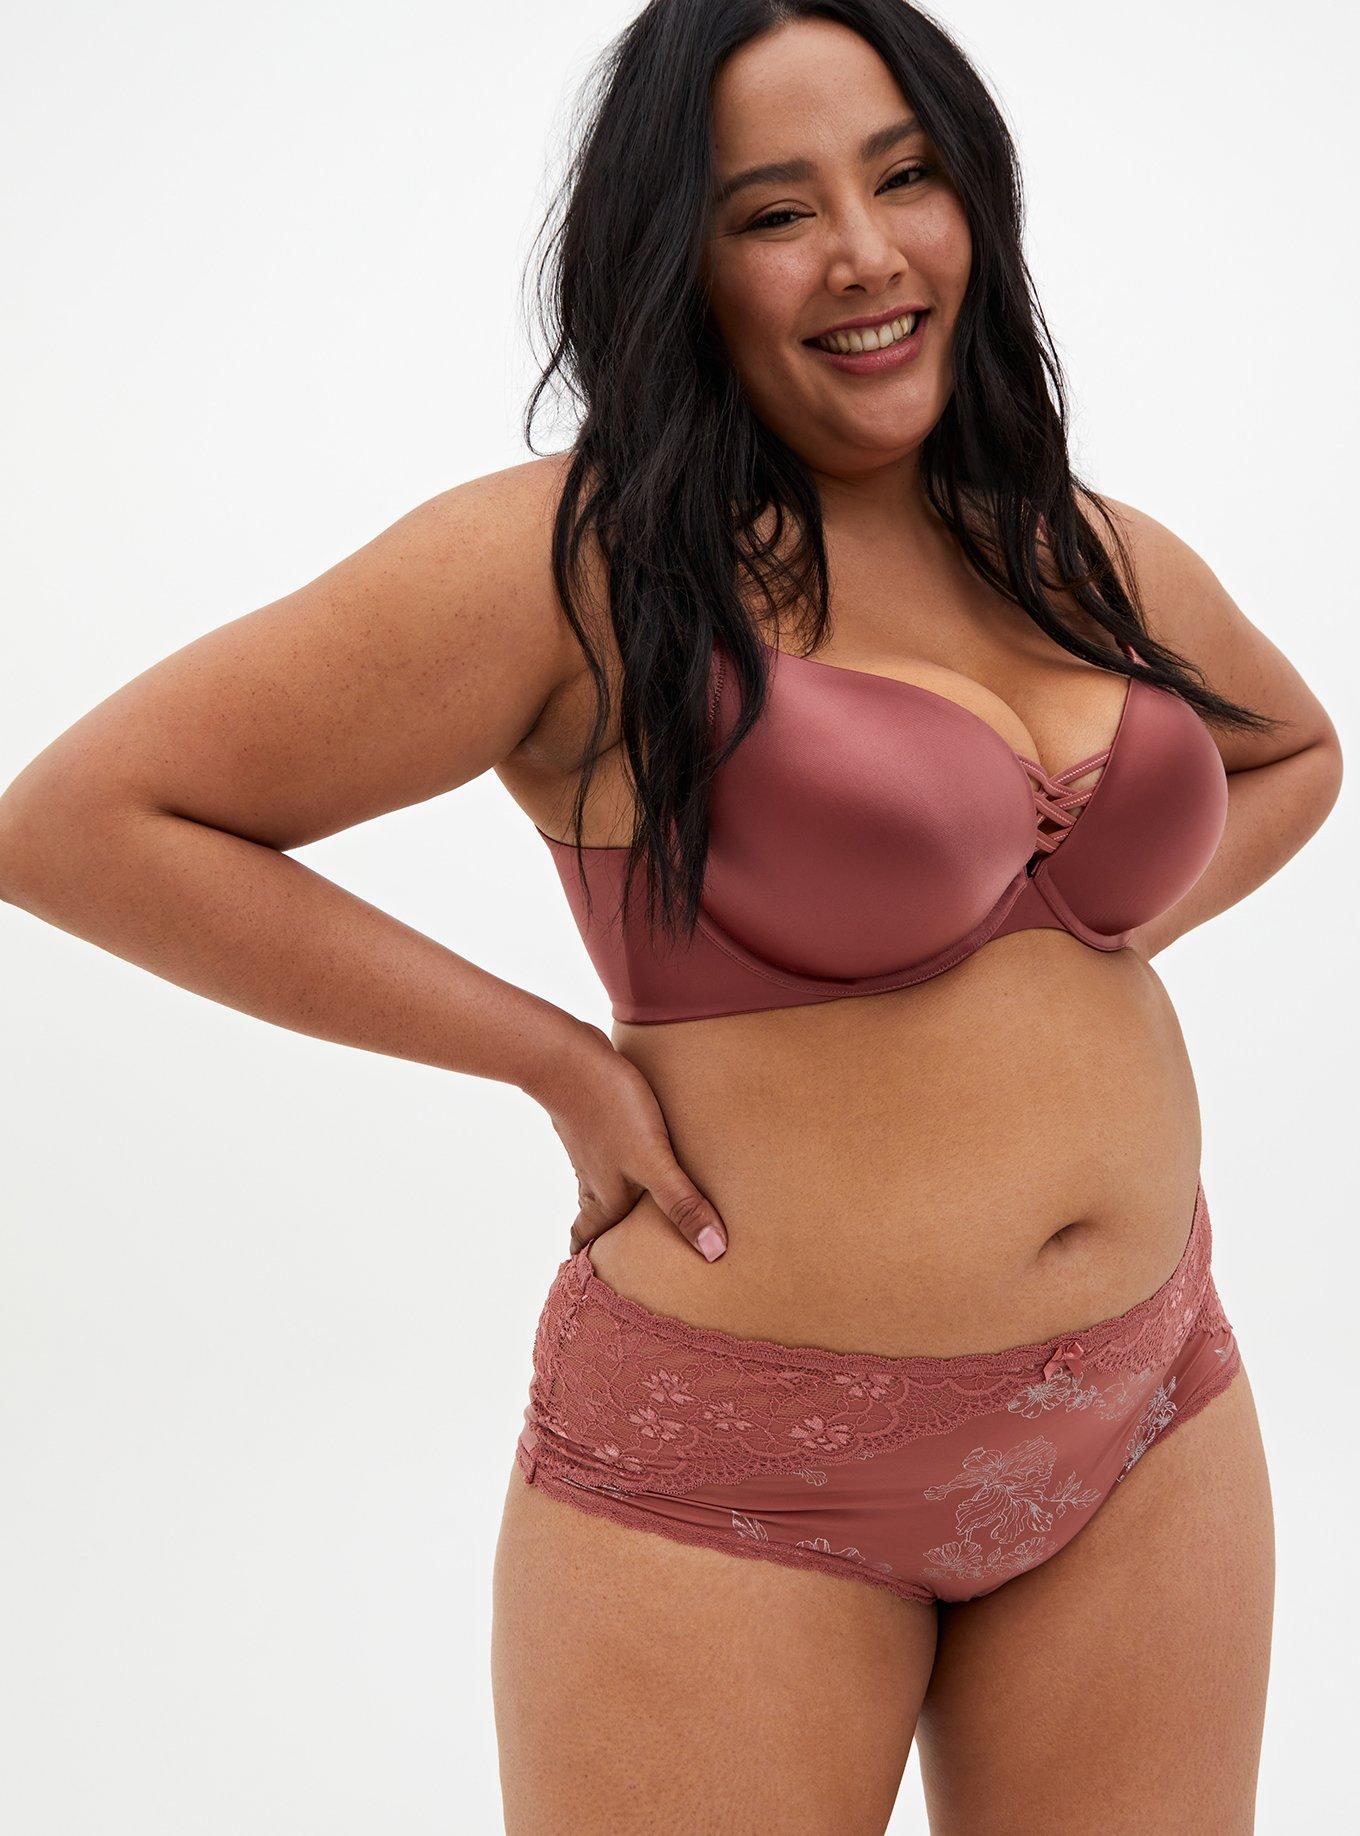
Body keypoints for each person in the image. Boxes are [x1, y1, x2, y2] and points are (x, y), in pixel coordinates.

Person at [0, 2, 1342, 1830]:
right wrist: (556, 1061)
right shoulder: (577, 564)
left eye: (905, 178)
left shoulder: (1066, 543)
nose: (865, 253)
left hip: (1146, 1408)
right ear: (676, 263)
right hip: (739, 1476)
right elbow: (82, 825)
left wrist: (1087, 939)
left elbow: (1294, 753)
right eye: (775, 210)